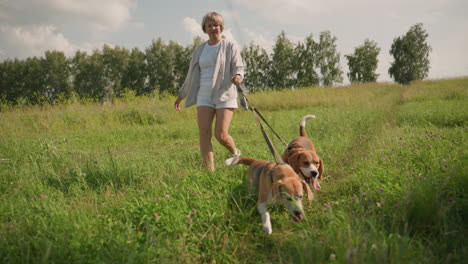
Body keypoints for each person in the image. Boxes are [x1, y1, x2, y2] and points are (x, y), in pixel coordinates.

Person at [174, 11, 244, 171]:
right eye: (210, 25)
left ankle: (235, 152)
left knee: (220, 135)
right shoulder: (199, 49)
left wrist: (238, 76)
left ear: (221, 27)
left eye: (217, 25)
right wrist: (181, 95)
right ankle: (210, 171)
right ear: (205, 28)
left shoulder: (230, 45)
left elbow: (239, 67)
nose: (213, 28)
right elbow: (191, 75)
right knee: (204, 133)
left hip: (224, 93)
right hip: (204, 95)